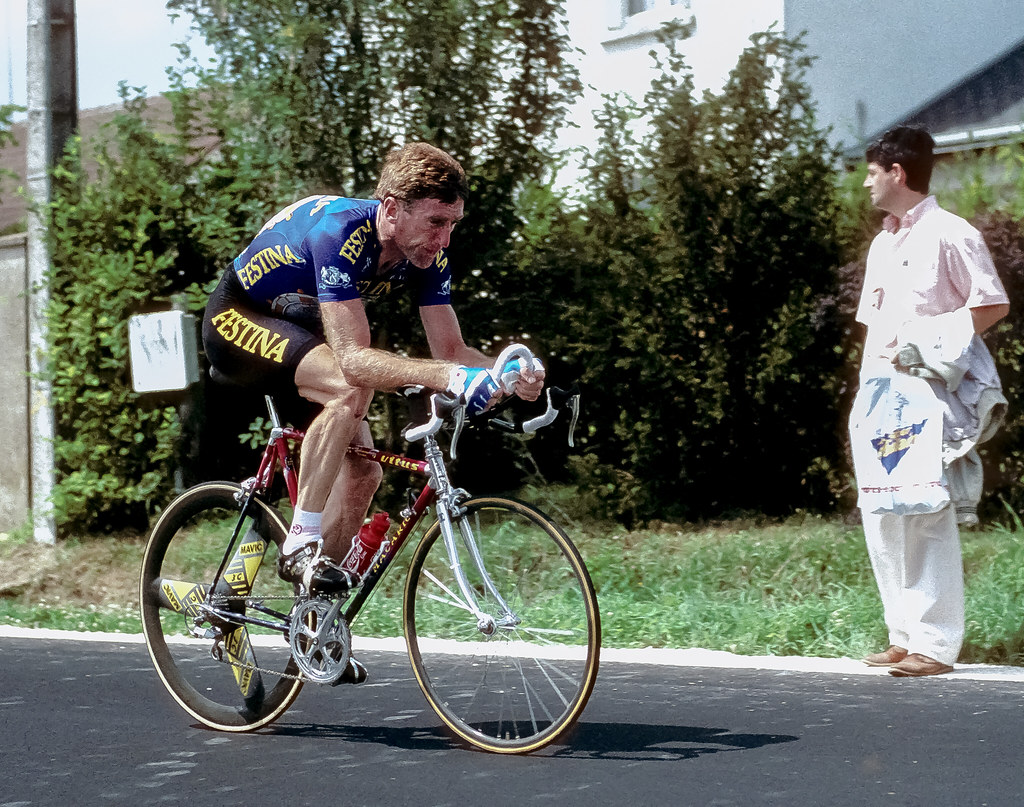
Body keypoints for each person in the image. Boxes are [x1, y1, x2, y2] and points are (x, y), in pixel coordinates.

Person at [203, 142, 544, 597]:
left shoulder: (426, 252)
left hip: (303, 338)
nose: (445, 240)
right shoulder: (338, 232)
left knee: (364, 475)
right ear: (391, 211)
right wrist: (449, 378)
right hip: (237, 318)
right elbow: (353, 360)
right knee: (350, 387)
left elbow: (451, 348)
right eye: (436, 223)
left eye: (453, 225)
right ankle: (300, 541)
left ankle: (316, 624)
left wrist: (506, 371)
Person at [850, 126, 1009, 677]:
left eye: (872, 172)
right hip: (879, 390)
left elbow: (990, 305)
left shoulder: (950, 233)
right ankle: (902, 633)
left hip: (927, 389)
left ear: (898, 173)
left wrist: (928, 339)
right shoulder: (882, 242)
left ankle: (935, 643)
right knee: (880, 508)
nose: (866, 182)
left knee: (923, 509)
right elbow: (872, 325)